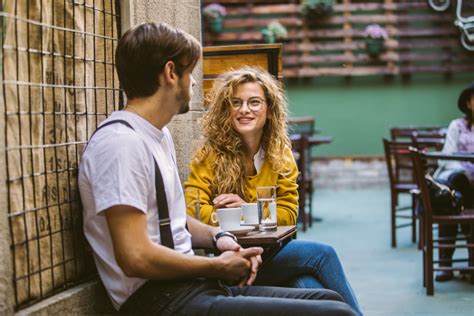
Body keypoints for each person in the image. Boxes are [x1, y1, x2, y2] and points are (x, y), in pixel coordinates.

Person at [78, 22, 357, 315]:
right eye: (190, 72)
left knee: (327, 299)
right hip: (159, 301)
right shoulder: (122, 144)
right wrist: (216, 266)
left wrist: (219, 238)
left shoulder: (157, 136)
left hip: (190, 284)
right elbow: (134, 257)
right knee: (338, 313)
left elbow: (177, 220)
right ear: (171, 74)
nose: (195, 83)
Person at [185, 67, 363, 315]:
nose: (244, 109)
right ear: (226, 109)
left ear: (269, 110)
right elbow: (193, 211)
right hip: (233, 260)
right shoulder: (209, 154)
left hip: (275, 253)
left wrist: (244, 211)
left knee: (309, 288)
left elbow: (290, 213)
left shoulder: (280, 153)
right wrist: (246, 218)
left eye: (254, 102)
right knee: (322, 255)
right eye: (236, 103)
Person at [433, 82, 474, 282]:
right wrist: (465, 170)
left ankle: (471, 262)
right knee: (452, 199)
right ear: (468, 103)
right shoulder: (456, 126)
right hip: (458, 183)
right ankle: (445, 265)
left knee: (458, 204)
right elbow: (446, 157)